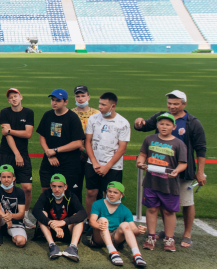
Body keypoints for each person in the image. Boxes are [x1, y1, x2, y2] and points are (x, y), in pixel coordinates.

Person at [134, 90, 207, 248]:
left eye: (176, 104)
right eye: (170, 103)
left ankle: (186, 233)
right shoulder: (162, 116)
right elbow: (144, 127)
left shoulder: (193, 122)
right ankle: (165, 233)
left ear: (184, 104)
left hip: (182, 170)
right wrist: (138, 123)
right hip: (159, 169)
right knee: (161, 202)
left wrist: (200, 172)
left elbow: (201, 148)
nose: (172, 106)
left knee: (186, 202)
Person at [137, 113, 188, 252]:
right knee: (151, 209)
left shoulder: (178, 143)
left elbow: (183, 163)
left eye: (167, 124)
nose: (164, 127)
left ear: (174, 127)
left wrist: (176, 171)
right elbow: (143, 154)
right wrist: (140, 162)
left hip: (169, 184)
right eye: (161, 124)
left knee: (169, 211)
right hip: (151, 182)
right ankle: (151, 237)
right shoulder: (149, 139)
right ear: (157, 125)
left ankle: (169, 238)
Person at [84, 92, 129, 221]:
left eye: (103, 105)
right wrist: (94, 162)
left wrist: (107, 167)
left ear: (113, 106)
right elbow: (88, 141)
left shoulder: (122, 123)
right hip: (93, 163)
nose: (100, 107)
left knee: (110, 195)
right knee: (91, 192)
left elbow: (122, 148)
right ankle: (90, 221)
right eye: (99, 103)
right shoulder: (93, 119)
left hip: (113, 167)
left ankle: (109, 223)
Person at [37, 89, 85, 199]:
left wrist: (55, 150)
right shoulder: (47, 115)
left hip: (68, 164)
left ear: (65, 102)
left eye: (58, 100)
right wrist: (49, 154)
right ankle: (48, 210)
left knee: (68, 194)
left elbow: (78, 143)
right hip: (48, 162)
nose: (54, 103)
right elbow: (42, 137)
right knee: (46, 190)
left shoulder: (72, 118)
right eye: (52, 100)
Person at [0, 88, 35, 228]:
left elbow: (28, 134)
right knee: (6, 185)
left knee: (27, 187)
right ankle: (5, 216)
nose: (14, 99)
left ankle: (24, 216)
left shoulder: (29, 112)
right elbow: (7, 136)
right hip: (7, 153)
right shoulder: (5, 112)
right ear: (8, 100)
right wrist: (16, 154)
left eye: (15, 96)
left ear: (21, 97)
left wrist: (9, 130)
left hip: (23, 153)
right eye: (11, 97)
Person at [89, 182, 147, 267]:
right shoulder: (98, 203)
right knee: (103, 220)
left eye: (115, 192)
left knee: (125, 224)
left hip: (115, 238)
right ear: (106, 192)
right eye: (109, 191)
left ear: (121, 195)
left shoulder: (126, 210)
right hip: (99, 237)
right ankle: (112, 252)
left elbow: (133, 229)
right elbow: (92, 221)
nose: (111, 194)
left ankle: (137, 255)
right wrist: (99, 226)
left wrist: (139, 230)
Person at [32, 174, 87, 261]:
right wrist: (51, 223)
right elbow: (35, 210)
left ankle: (73, 247)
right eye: (54, 186)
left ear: (65, 187)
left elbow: (83, 213)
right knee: (43, 213)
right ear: (50, 186)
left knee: (78, 217)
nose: (57, 189)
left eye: (60, 186)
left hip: (67, 229)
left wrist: (64, 222)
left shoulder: (71, 196)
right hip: (50, 229)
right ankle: (52, 245)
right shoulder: (46, 194)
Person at [0, 165, 27, 248]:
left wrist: (10, 216)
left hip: (15, 222)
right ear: (0, 178)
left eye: (9, 177)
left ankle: (9, 233)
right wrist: (5, 217)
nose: (6, 179)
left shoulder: (20, 192)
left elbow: (21, 214)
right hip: (2, 220)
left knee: (21, 242)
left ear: (13, 178)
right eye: (3, 177)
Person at [72, 85, 99, 201]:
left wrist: (88, 152)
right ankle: (76, 210)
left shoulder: (97, 114)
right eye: (78, 96)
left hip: (94, 156)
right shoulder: (70, 114)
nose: (80, 99)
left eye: (83, 96)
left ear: (89, 97)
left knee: (95, 188)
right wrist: (82, 150)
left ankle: (95, 211)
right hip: (75, 155)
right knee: (75, 187)